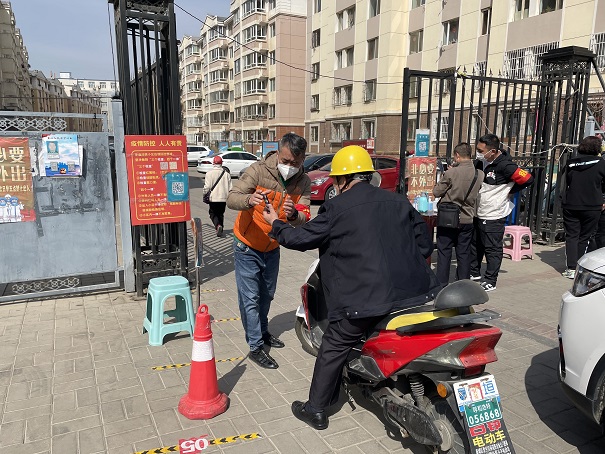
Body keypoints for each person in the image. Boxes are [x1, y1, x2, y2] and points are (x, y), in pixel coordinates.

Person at [262, 145, 441, 430]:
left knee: (334, 344)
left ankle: (315, 409)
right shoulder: (397, 201)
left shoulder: (336, 207)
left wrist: (275, 223)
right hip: (416, 296)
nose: (335, 185)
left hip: (366, 300)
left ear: (343, 179)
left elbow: (299, 239)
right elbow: (423, 245)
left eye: (335, 180)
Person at [226, 133, 311, 369]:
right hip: (246, 245)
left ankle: (263, 331)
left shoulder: (303, 181)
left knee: (267, 295)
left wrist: (294, 215)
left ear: (303, 159)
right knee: (250, 298)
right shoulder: (258, 170)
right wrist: (248, 199)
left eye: (295, 163)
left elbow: (305, 216)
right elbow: (232, 198)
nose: (289, 167)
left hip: (273, 246)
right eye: (286, 161)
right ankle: (255, 346)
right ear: (278, 153)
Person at [470, 134, 534, 292]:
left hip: (494, 212)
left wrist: (510, 190)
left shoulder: (505, 165)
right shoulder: (480, 162)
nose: (478, 153)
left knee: (492, 248)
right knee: (476, 244)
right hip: (478, 210)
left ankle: (491, 280)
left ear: (492, 151)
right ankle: (474, 272)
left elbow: (528, 179)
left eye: (481, 150)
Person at [433, 143, 483, 285]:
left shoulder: (451, 173)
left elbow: (436, 192)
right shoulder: (479, 174)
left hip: (448, 219)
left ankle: (442, 284)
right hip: (467, 218)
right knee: (464, 252)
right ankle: (463, 284)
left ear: (457, 155)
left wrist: (448, 174)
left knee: (444, 251)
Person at [560, 136, 605, 278]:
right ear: (598, 148)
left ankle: (571, 268)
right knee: (585, 237)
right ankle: (580, 267)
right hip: (592, 205)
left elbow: (565, 183)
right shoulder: (602, 164)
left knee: (571, 236)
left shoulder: (571, 163)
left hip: (571, 204)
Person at [202, 155, 232, 237]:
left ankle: (217, 225)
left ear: (213, 163)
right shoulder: (226, 174)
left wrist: (204, 193)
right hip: (224, 198)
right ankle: (220, 227)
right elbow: (230, 188)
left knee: (212, 213)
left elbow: (207, 187)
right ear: (221, 163)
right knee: (220, 214)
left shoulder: (209, 173)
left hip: (213, 198)